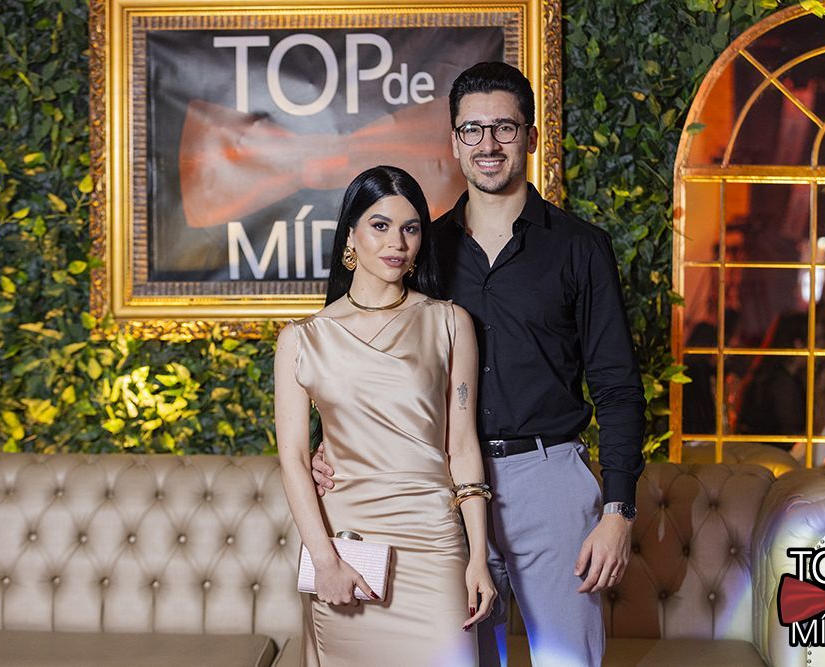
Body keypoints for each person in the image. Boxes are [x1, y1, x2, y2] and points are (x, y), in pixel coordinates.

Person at [313, 63, 646, 667]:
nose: (488, 144)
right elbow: (368, 352)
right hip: (439, 490)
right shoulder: (422, 250)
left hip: (548, 479)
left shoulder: (580, 247)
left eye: (504, 128)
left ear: (531, 136)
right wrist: (327, 442)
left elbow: (618, 388)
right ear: (455, 140)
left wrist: (618, 510)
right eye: (472, 129)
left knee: (568, 660)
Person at [274, 165, 497, 666]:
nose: (397, 242)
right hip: (348, 547)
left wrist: (477, 557)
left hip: (434, 544)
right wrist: (325, 561)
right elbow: (293, 461)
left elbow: (462, 447)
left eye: (410, 228)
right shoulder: (301, 338)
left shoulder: (450, 322)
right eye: (380, 225)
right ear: (350, 234)